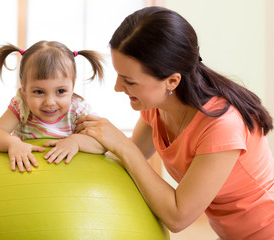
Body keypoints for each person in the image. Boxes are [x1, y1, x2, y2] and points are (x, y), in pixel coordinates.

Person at [75, 6, 274, 240]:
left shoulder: (222, 126)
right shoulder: (157, 108)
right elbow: (125, 160)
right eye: (119, 75)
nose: (118, 87)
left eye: (129, 81)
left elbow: (178, 217)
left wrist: (123, 145)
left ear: (171, 81)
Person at [0, 41, 106, 172]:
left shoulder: (78, 110)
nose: (49, 102)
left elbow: (102, 143)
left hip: (69, 178)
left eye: (60, 91)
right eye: (39, 92)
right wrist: (12, 143)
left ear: (73, 86)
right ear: (24, 88)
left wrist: (76, 142)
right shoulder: (22, 106)